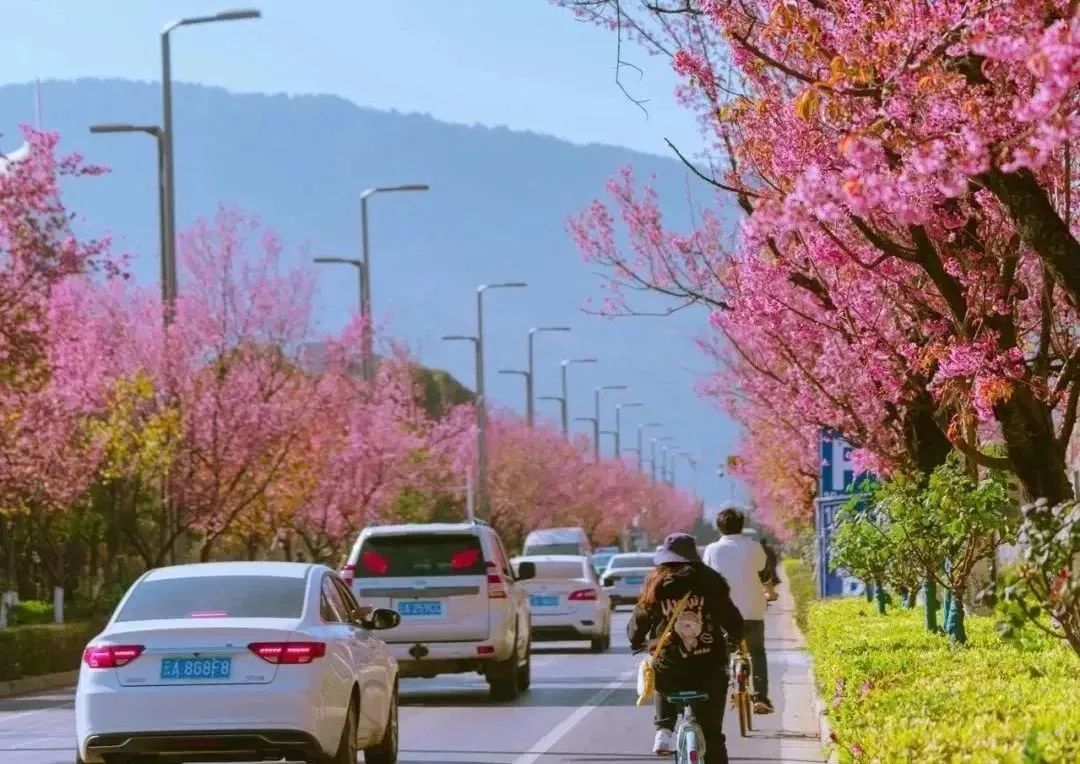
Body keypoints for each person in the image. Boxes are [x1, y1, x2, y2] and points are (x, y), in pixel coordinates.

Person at [628, 533, 743, 761]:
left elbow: (638, 622)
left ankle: (663, 728)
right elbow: (732, 618)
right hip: (709, 670)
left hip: (671, 672)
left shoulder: (655, 582)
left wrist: (637, 641)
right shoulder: (711, 581)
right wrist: (734, 637)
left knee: (659, 667)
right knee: (712, 737)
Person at [703, 507, 774, 714]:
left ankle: (717, 696)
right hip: (752, 611)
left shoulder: (711, 550)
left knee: (719, 656)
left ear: (719, 527)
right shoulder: (753, 547)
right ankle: (761, 697)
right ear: (742, 526)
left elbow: (707, 578)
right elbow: (764, 573)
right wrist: (770, 591)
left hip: (723, 614)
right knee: (757, 652)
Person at [760, 537, 780, 602]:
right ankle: (769, 594)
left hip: (763, 569)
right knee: (769, 582)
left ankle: (768, 594)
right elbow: (774, 559)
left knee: (764, 582)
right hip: (768, 569)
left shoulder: (759, 550)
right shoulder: (768, 549)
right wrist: (774, 565)